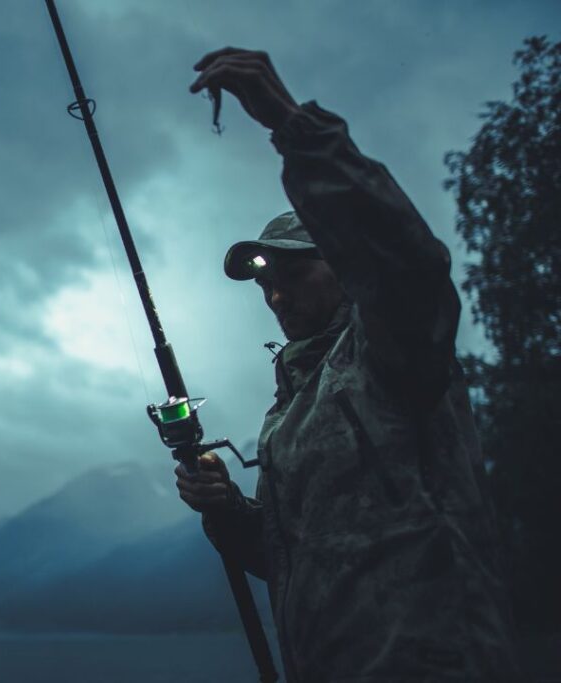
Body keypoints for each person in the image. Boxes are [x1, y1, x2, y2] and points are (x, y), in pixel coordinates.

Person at [174, 48, 517, 681]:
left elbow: (406, 263)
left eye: (294, 272)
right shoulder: (287, 411)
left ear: (345, 264)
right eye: (264, 284)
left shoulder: (391, 351)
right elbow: (299, 559)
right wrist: (227, 510)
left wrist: (292, 125)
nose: (275, 294)